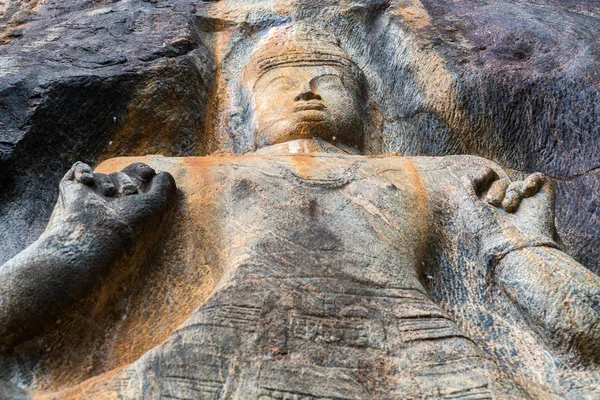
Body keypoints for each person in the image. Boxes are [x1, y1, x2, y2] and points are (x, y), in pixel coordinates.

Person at [1, 26, 598, 399]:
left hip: (424, 359)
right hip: (209, 358)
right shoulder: (169, 176)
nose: (306, 90)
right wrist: (80, 241)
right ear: (244, 105)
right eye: (283, 79)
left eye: (328, 79)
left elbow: (582, 333)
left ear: (368, 106)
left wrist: (527, 245)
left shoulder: (448, 175)